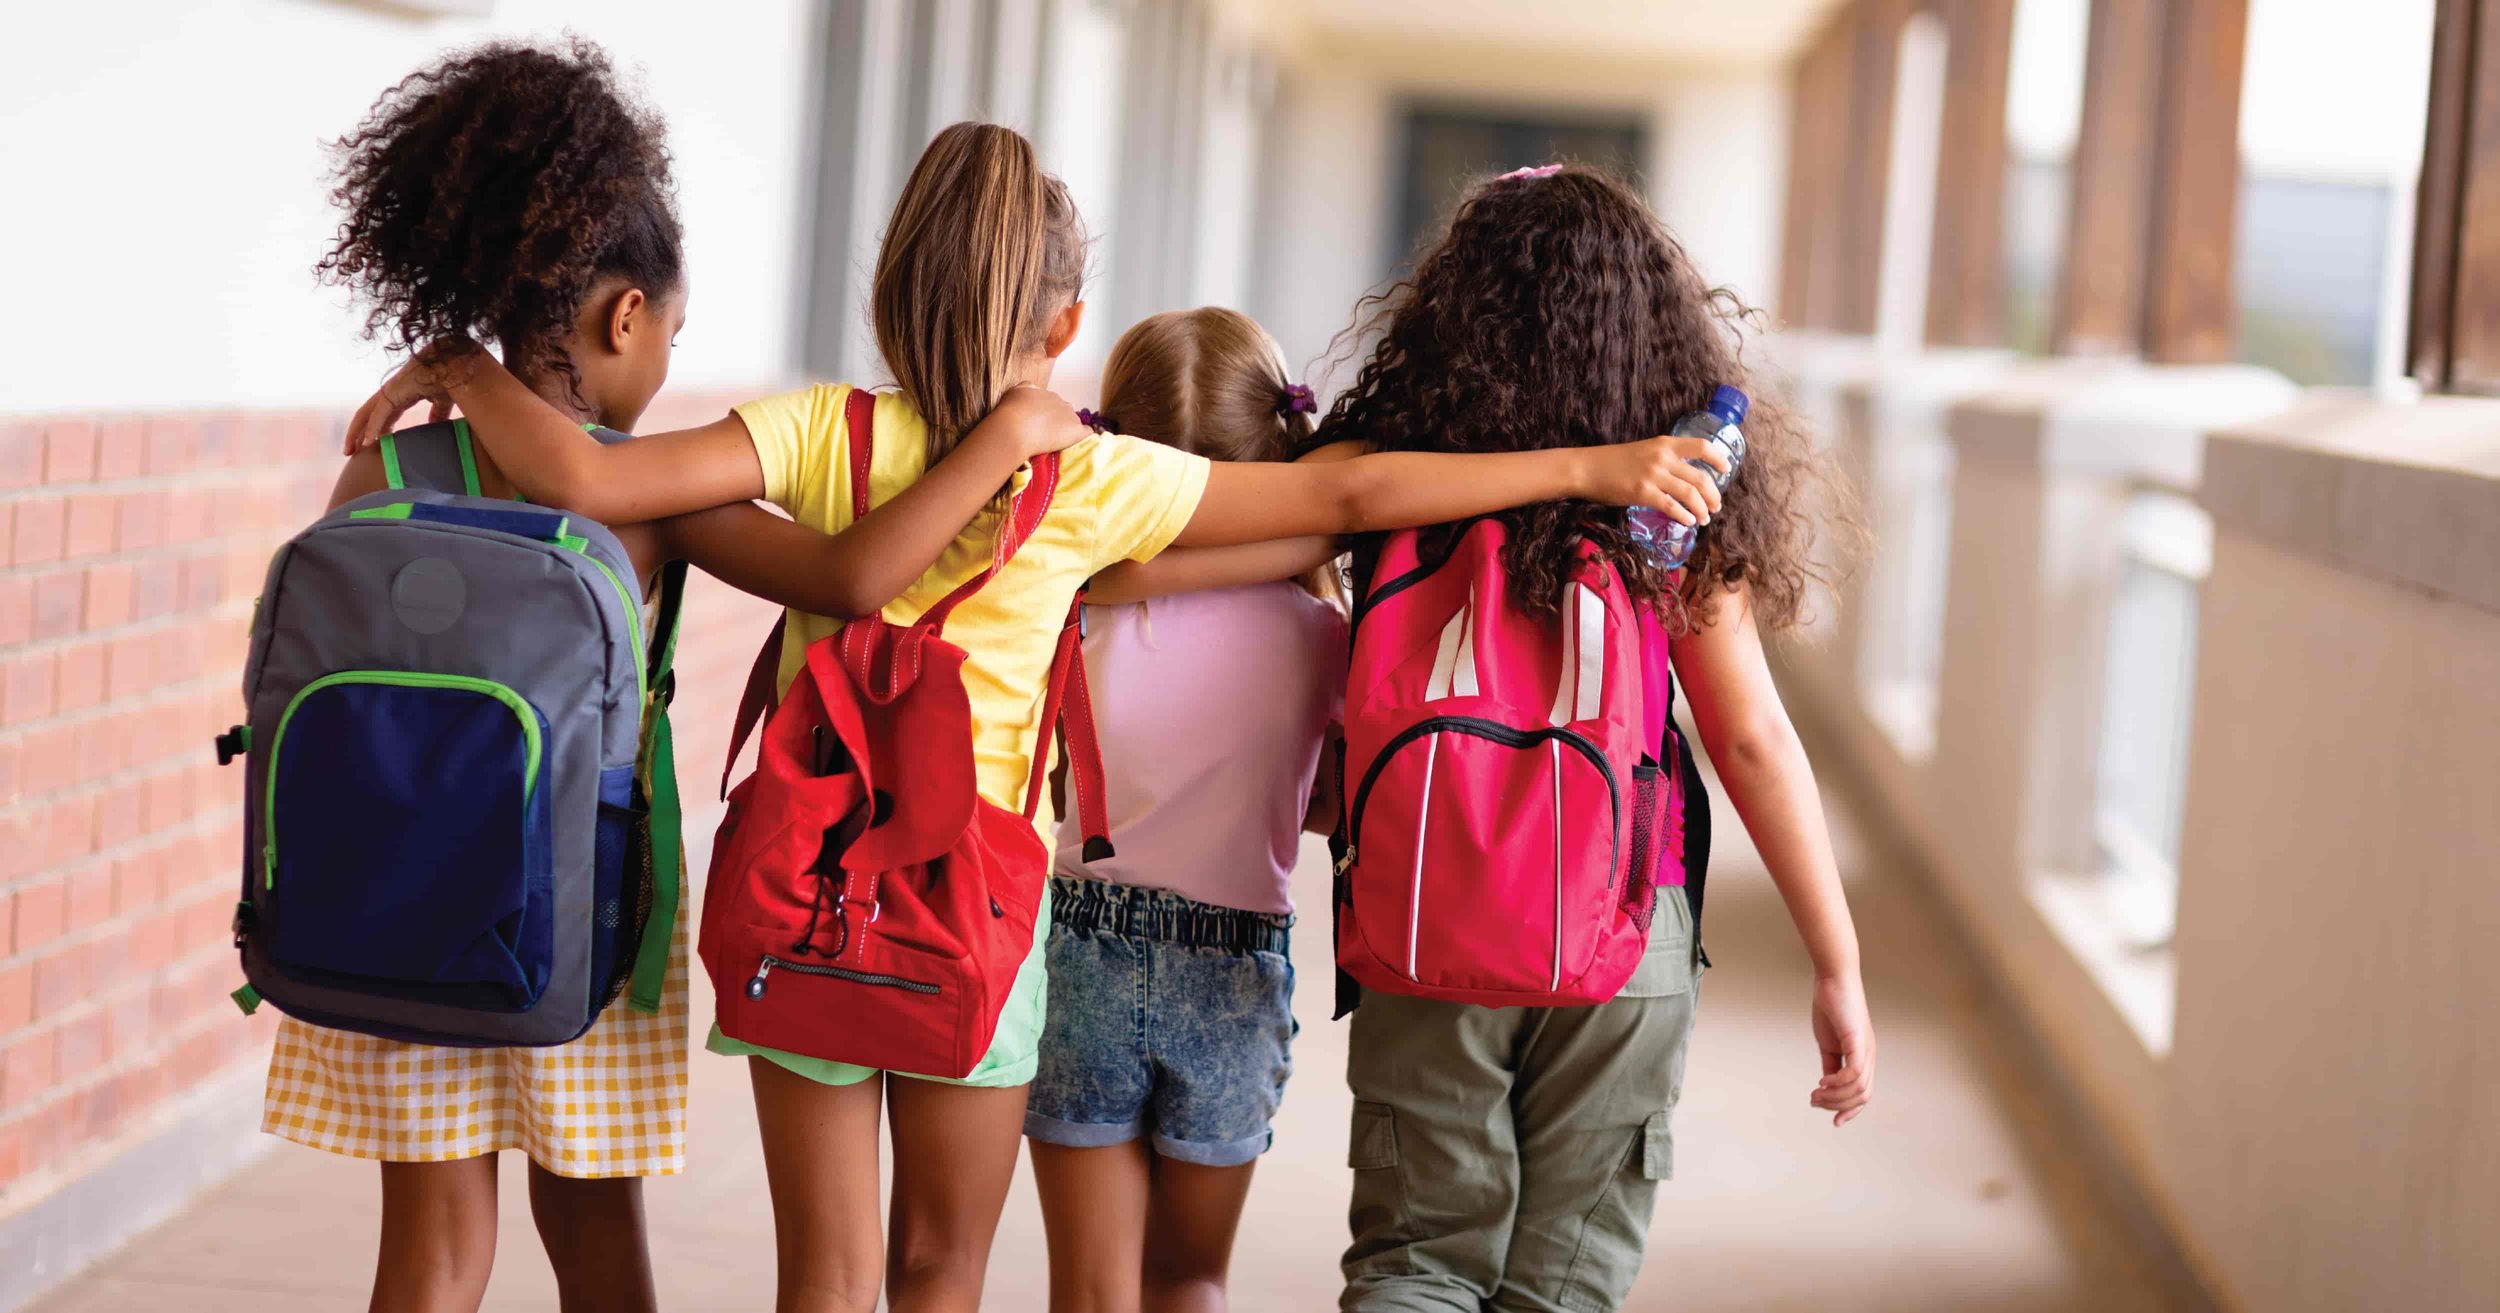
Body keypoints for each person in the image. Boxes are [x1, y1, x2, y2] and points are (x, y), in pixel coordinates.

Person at [346, 123, 1730, 1313]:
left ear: (889, 290)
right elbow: (1346, 499)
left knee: (821, 1284)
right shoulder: (1091, 478)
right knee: (940, 1271)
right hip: (974, 926)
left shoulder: (816, 432)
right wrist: (1597, 461)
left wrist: (471, 374)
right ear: (1065, 327)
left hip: (807, 903)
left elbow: (594, 479)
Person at [278, 44, 1086, 1313]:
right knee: (598, 1243)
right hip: (584, 913)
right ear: (625, 320)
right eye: (677, 331)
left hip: (391, 904)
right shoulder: (652, 503)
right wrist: (1001, 445)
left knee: (429, 1254)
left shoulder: (378, 473)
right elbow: (844, 572)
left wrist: (451, 372)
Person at [1314, 163, 1878, 1312]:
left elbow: (1331, 504)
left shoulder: (1389, 483)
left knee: (1415, 1262)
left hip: (1425, 903)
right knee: (1562, 1281)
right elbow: (1752, 738)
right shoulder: (1669, 508)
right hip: (1624, 920)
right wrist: (1837, 959)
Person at [1022, 308, 1347, 1313]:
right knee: (1190, 1277)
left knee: (1088, 1288)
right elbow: (1331, 810)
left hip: (1082, 941)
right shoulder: (1322, 632)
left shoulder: (1072, 601)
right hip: (1235, 956)